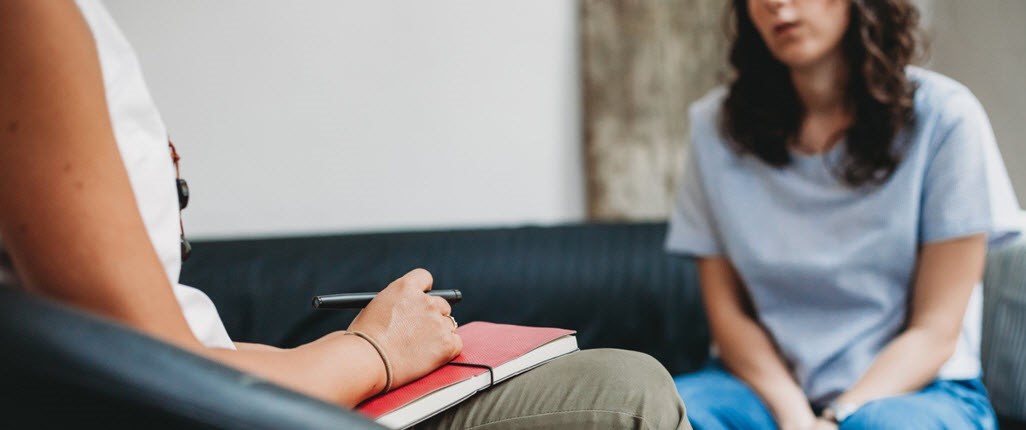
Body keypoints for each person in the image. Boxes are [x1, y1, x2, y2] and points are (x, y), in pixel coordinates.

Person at [0, 1, 689, 428]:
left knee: (621, 383)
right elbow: (149, 373)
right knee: (626, 396)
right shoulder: (29, 18)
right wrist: (371, 352)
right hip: (213, 408)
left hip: (223, 390)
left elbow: (169, 343)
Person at [666, 0, 1020, 429]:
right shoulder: (714, 127)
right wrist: (795, 416)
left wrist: (835, 418)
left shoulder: (946, 119)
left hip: (916, 390)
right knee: (662, 411)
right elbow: (729, 317)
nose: (777, 3)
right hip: (758, 389)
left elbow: (936, 330)